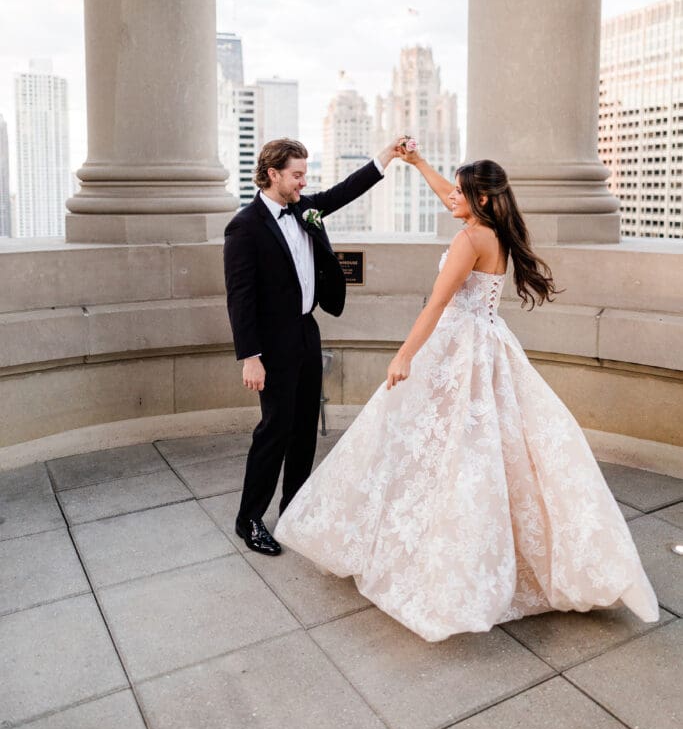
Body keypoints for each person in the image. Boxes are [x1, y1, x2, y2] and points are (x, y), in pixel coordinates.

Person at [274, 153, 659, 641]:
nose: (448, 197)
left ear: (478, 199)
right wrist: (415, 162)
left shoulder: (467, 238)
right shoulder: (491, 231)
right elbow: (452, 199)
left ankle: (442, 560)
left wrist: (404, 356)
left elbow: (437, 302)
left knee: (440, 445)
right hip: (488, 341)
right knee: (491, 445)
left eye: (458, 191)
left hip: (457, 345)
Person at [223, 136, 403, 556]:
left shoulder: (304, 209)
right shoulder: (245, 226)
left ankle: (294, 509)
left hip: (307, 332)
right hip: (271, 345)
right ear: (273, 174)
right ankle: (249, 519)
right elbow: (240, 297)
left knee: (305, 430)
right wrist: (251, 357)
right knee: (275, 430)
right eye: (297, 175)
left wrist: (387, 157)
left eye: (305, 174)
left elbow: (344, 192)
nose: (303, 182)